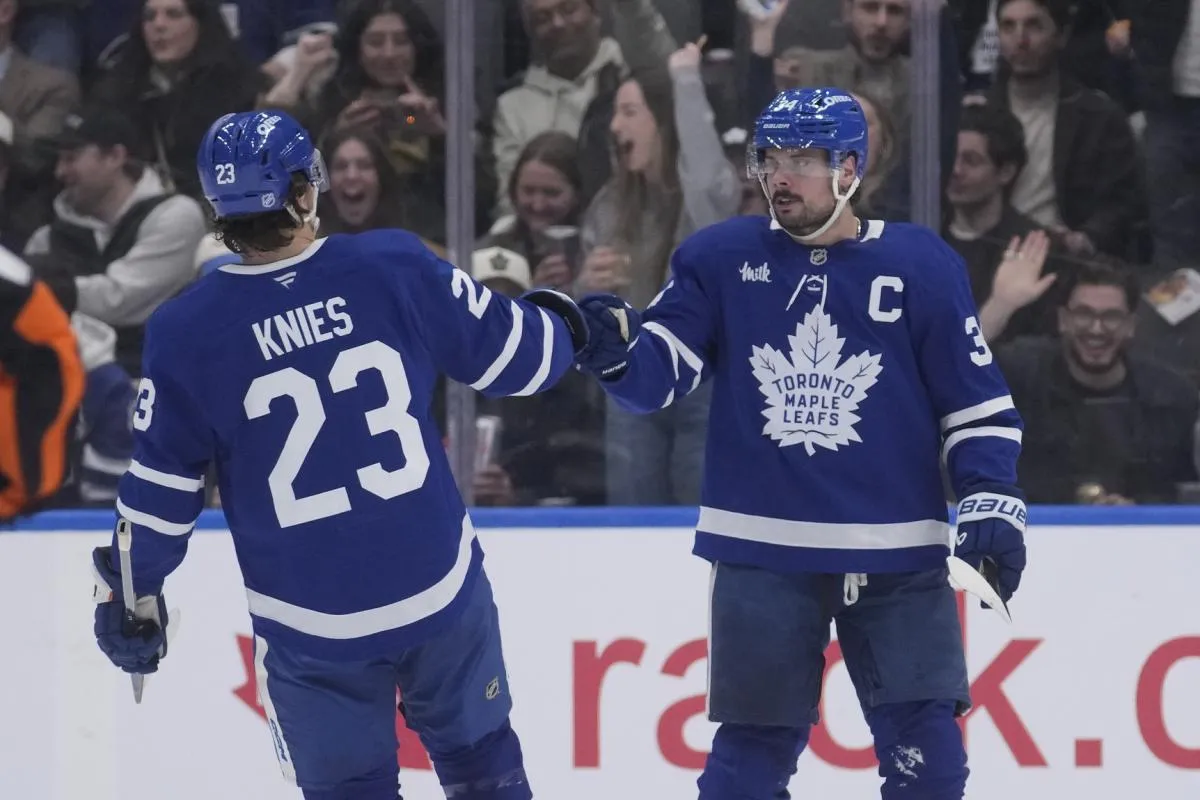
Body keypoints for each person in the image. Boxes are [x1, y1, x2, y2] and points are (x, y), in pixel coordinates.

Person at [89, 109, 589, 800]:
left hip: (309, 624)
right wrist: (572, 323)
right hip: (436, 591)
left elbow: (160, 491)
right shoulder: (393, 263)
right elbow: (519, 359)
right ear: (304, 191)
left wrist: (130, 591)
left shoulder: (185, 329)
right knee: (483, 767)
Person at [571, 88, 1029, 799]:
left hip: (897, 553)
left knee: (929, 766)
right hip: (763, 551)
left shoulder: (920, 266)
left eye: (803, 160)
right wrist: (616, 351)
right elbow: (657, 377)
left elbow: (975, 404)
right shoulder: (720, 258)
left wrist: (991, 496)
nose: (780, 177)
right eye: (771, 159)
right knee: (746, 771)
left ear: (850, 166)